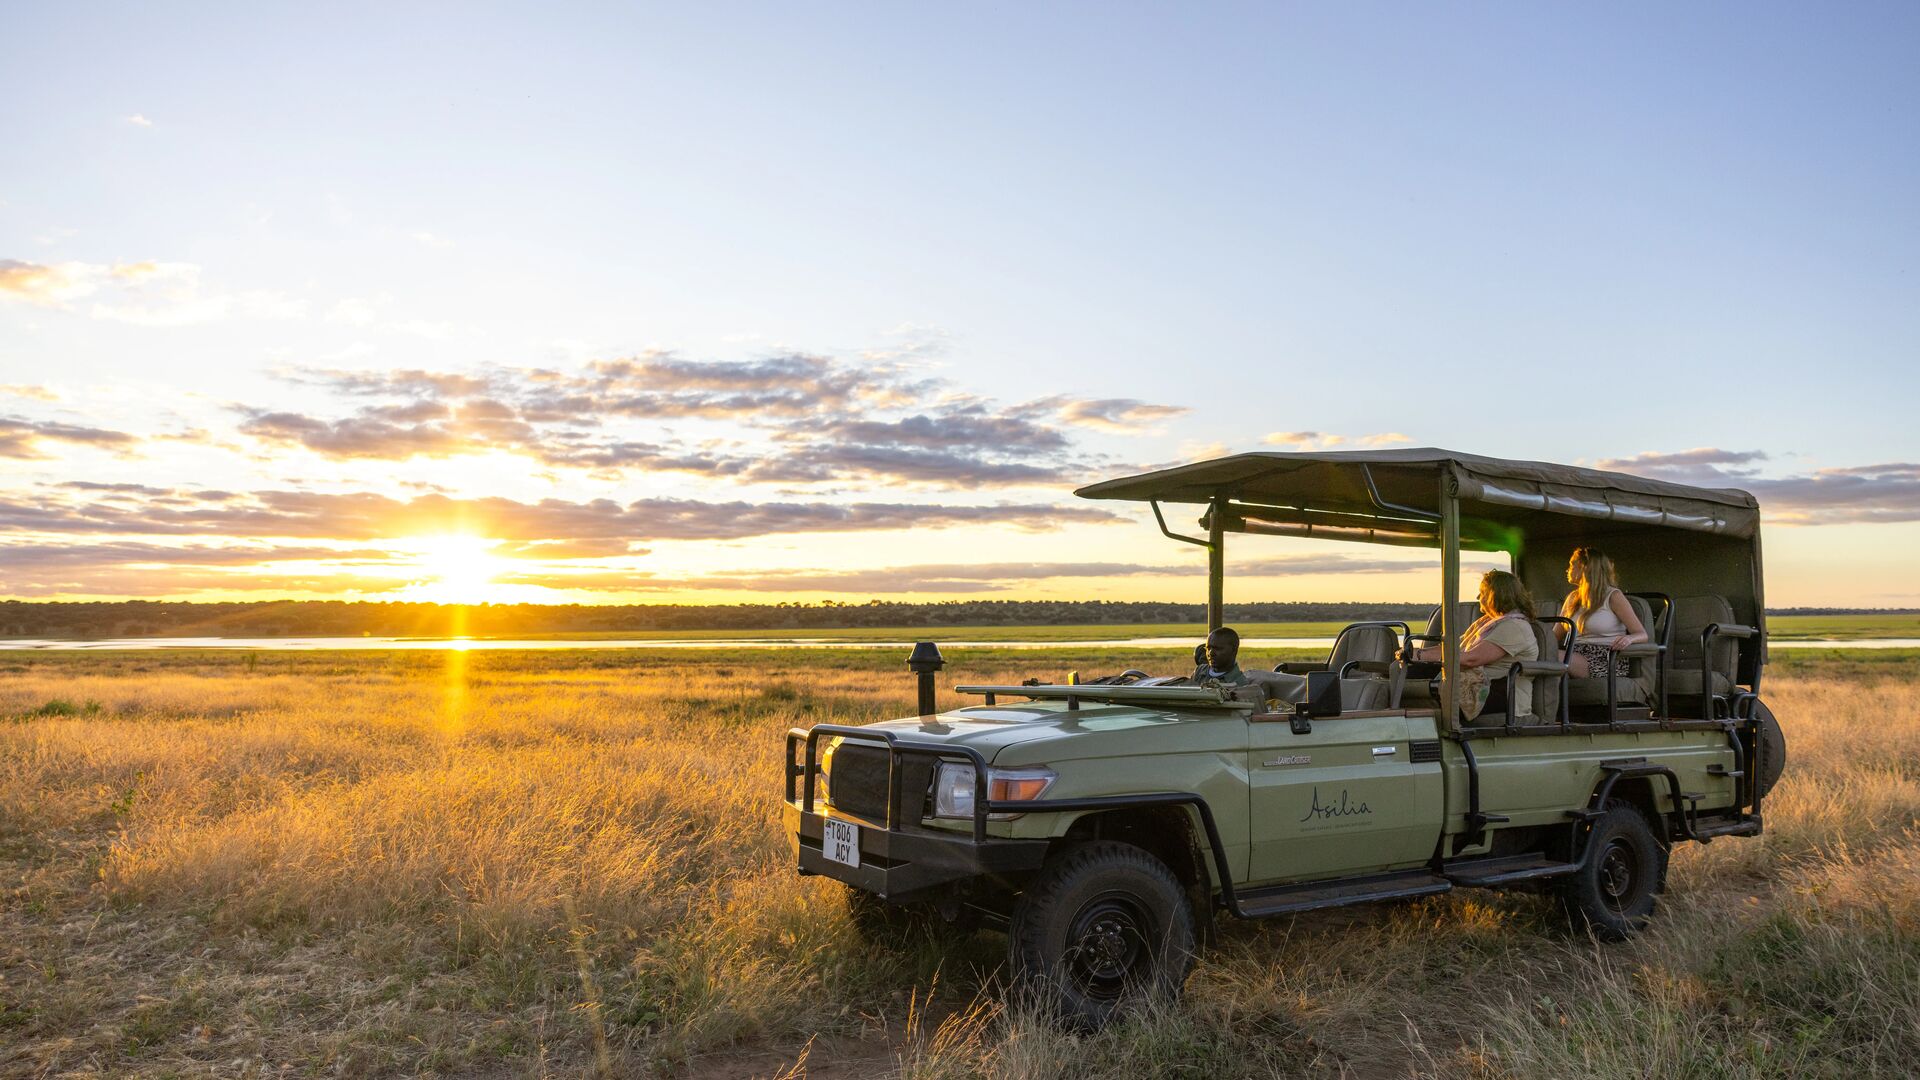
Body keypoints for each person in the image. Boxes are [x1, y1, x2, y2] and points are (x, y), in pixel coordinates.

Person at [1410, 570, 1539, 721]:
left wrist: (1421, 656)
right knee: (1407, 669)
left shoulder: (1515, 627)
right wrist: (1416, 653)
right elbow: (1455, 648)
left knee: (1417, 675)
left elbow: (1471, 659)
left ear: (1495, 595)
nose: (1478, 598)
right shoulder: (1485, 623)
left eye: (1482, 593)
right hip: (1474, 683)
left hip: (1498, 692)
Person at [1556, 547, 1647, 679]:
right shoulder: (1572, 598)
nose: (1567, 569)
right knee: (1541, 653)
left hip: (1605, 658)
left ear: (1584, 567)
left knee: (1552, 656)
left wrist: (1628, 638)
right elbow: (1554, 636)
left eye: (1571, 565)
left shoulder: (1613, 596)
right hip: (1574, 653)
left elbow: (1642, 634)